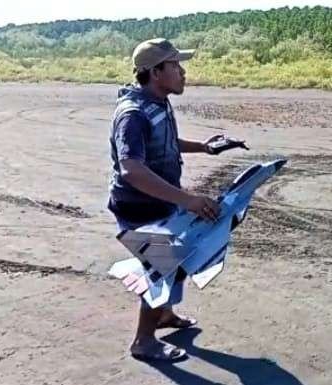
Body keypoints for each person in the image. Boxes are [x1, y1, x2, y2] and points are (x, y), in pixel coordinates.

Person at [108, 38, 231, 361]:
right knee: (161, 266)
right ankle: (143, 341)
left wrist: (203, 147)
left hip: (160, 203)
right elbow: (131, 169)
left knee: (173, 262)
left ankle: (163, 315)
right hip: (137, 207)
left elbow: (164, 141)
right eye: (175, 66)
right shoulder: (132, 114)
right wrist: (187, 199)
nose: (183, 72)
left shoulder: (156, 102)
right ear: (155, 72)